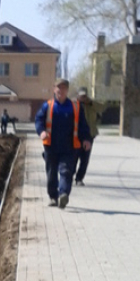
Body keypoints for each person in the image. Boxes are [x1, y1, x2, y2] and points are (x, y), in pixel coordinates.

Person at [34, 78, 91, 210]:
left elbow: (83, 125)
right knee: (51, 173)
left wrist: (86, 139)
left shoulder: (75, 107)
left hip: (69, 147)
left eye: (64, 88)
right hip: (51, 146)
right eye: (59, 88)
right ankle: (53, 197)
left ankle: (63, 194)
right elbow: (38, 120)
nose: (61, 90)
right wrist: (41, 131)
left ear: (67, 90)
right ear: (54, 89)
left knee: (66, 172)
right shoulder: (48, 106)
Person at [74, 87, 105, 186]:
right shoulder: (73, 104)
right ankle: (68, 175)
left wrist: (90, 102)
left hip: (89, 135)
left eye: (84, 96)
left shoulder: (91, 105)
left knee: (85, 158)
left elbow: (102, 108)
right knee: (73, 157)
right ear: (78, 95)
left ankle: (79, 178)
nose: (83, 98)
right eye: (81, 96)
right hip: (76, 135)